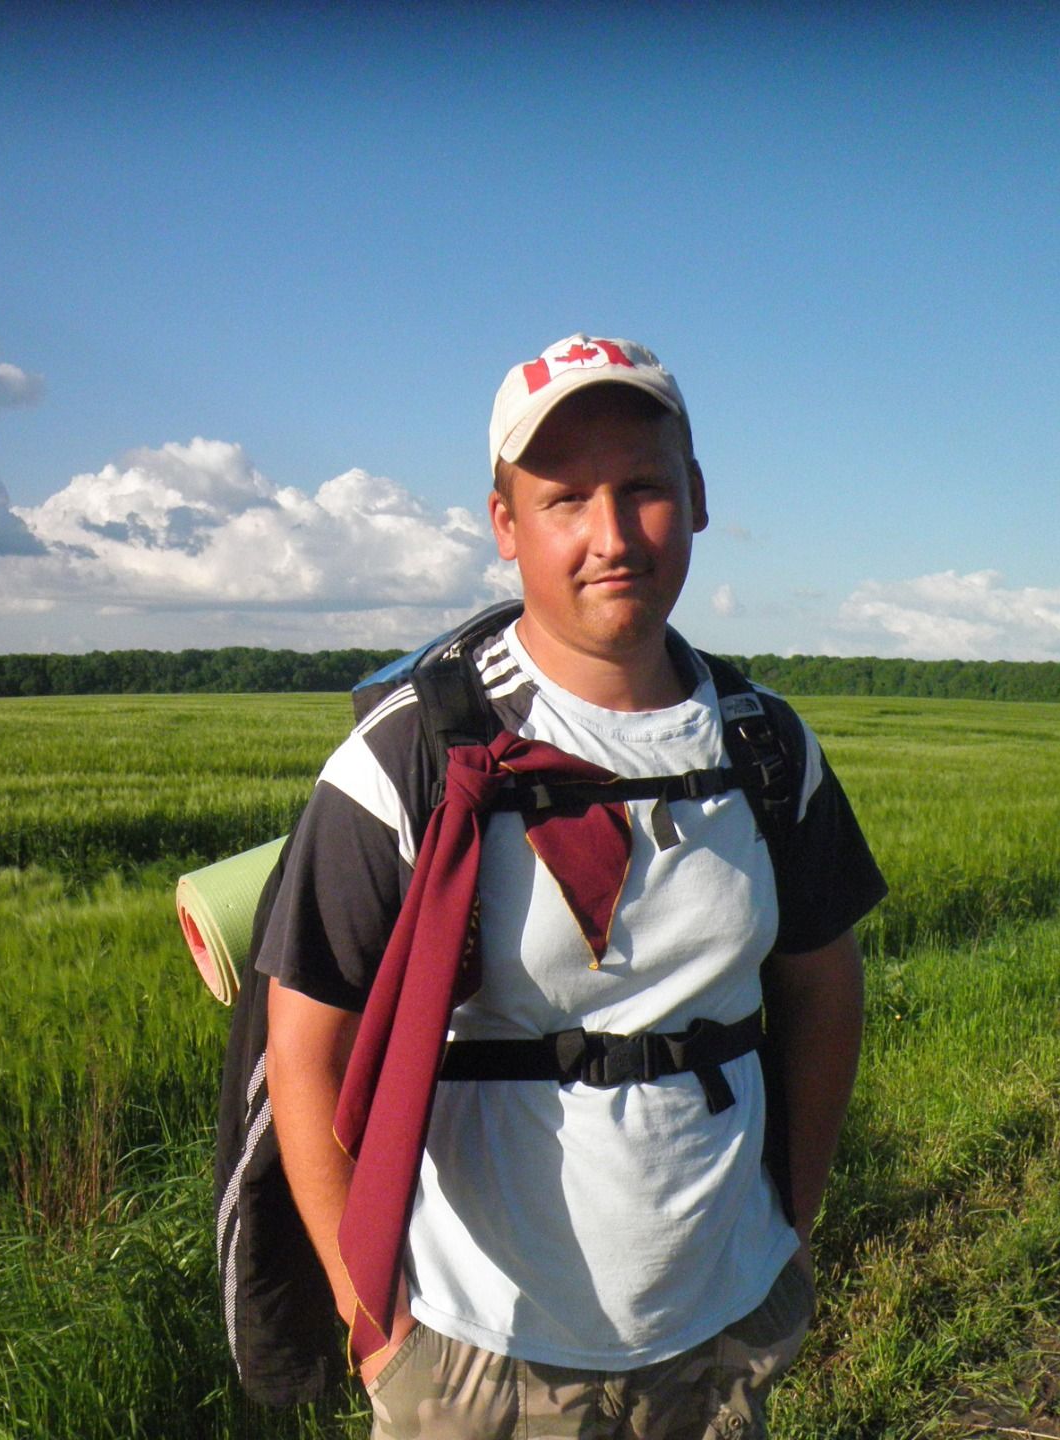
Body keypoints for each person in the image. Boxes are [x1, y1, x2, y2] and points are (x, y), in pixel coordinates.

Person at [254, 333, 886, 1439]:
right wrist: (376, 1327)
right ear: (506, 525)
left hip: (721, 1330)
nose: (612, 537)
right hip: (480, 1353)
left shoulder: (767, 745)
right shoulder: (410, 757)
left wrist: (790, 1227)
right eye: (565, 499)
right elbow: (306, 1051)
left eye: (643, 488)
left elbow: (824, 992)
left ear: (697, 498)